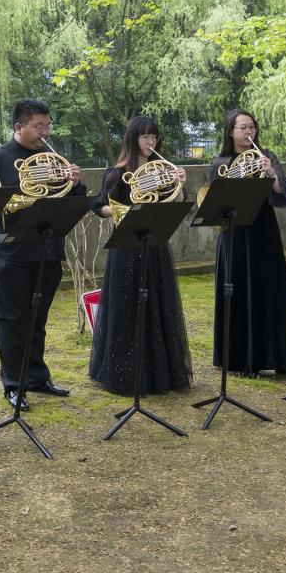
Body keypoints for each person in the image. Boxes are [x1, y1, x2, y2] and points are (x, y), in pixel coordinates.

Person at [0, 98, 84, 410]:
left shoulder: (53, 157)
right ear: (19, 127)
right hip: (11, 250)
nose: (45, 132)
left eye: (47, 126)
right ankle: (13, 384)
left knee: (38, 317)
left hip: (47, 247)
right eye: (39, 126)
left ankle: (36, 376)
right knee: (12, 319)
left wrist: (75, 183)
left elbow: (72, 200)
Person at [88, 117, 193, 396]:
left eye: (154, 137)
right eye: (145, 136)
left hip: (155, 245)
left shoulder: (163, 170)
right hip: (127, 248)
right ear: (133, 139)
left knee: (159, 305)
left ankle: (160, 374)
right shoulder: (118, 173)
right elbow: (98, 205)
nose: (151, 142)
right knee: (127, 308)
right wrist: (123, 212)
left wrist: (179, 184)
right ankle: (126, 374)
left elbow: (177, 203)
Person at [208, 109, 286, 379]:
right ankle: (242, 360)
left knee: (274, 290)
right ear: (230, 132)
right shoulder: (221, 163)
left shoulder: (266, 156)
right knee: (238, 290)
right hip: (235, 232)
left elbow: (283, 196)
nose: (249, 132)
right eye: (243, 128)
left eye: (252, 127)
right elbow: (216, 201)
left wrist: (271, 173)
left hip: (263, 229)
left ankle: (282, 359)